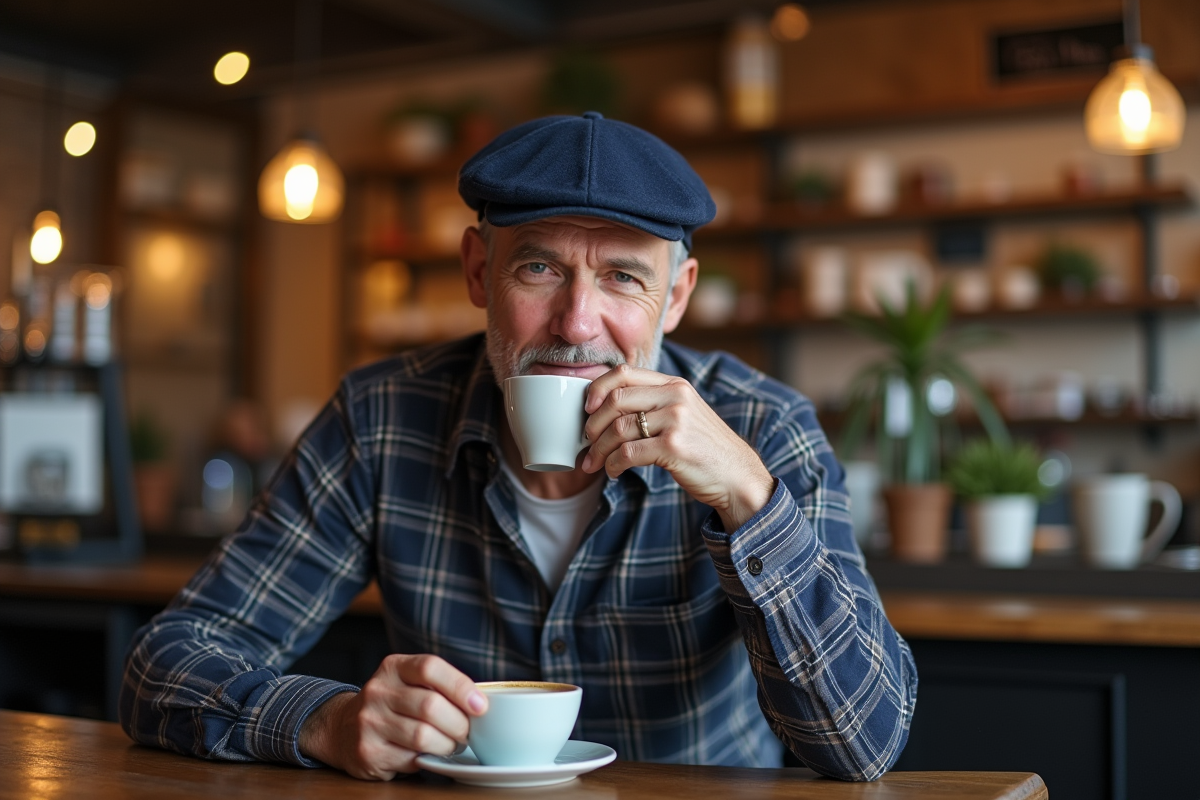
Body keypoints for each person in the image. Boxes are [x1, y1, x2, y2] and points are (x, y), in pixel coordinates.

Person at [120, 112, 917, 782]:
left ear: (676, 298)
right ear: (478, 272)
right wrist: (323, 719)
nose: (576, 324)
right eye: (540, 268)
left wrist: (748, 499)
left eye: (624, 279)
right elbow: (165, 664)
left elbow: (867, 744)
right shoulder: (382, 419)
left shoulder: (766, 430)